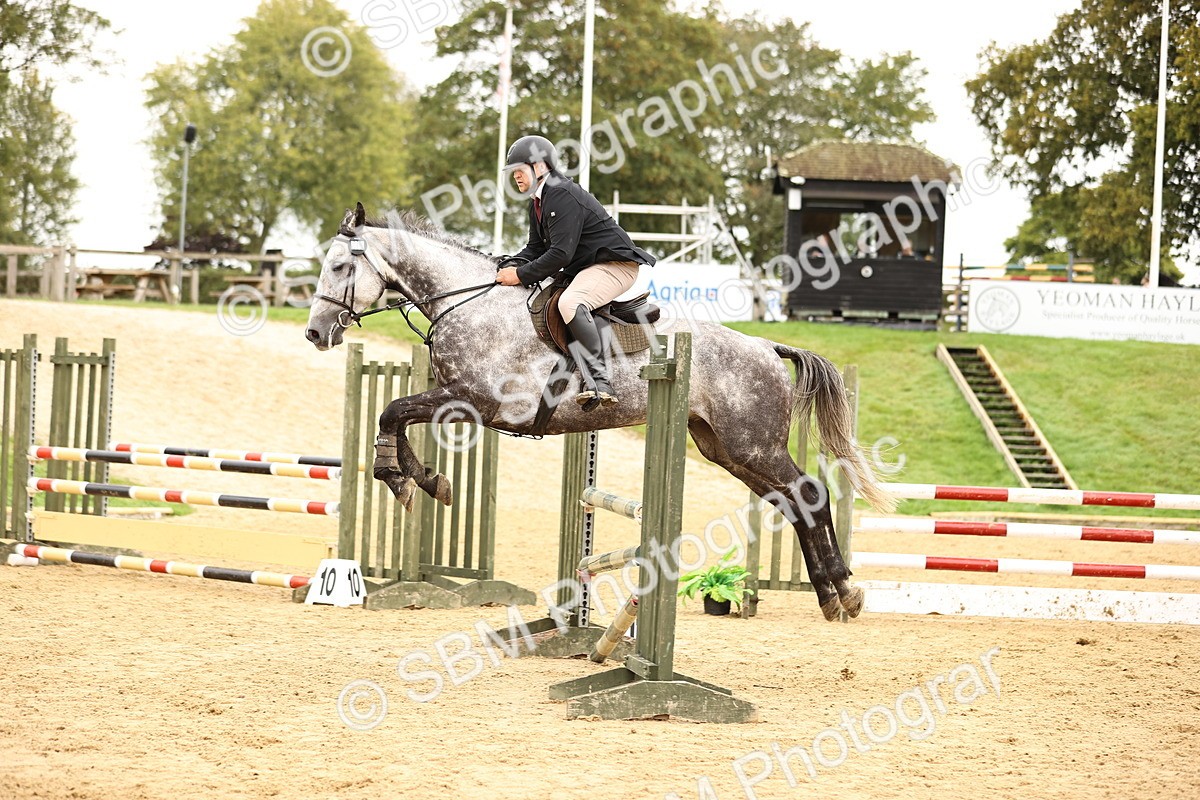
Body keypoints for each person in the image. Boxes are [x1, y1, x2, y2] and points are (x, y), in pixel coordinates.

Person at [495, 134, 655, 409]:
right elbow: (535, 248)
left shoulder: (560, 194)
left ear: (540, 166)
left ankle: (600, 381)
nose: (515, 176)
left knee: (571, 302)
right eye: (513, 172)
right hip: (589, 267)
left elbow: (560, 254)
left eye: (519, 170)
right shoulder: (539, 200)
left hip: (615, 266)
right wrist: (509, 264)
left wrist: (520, 276)